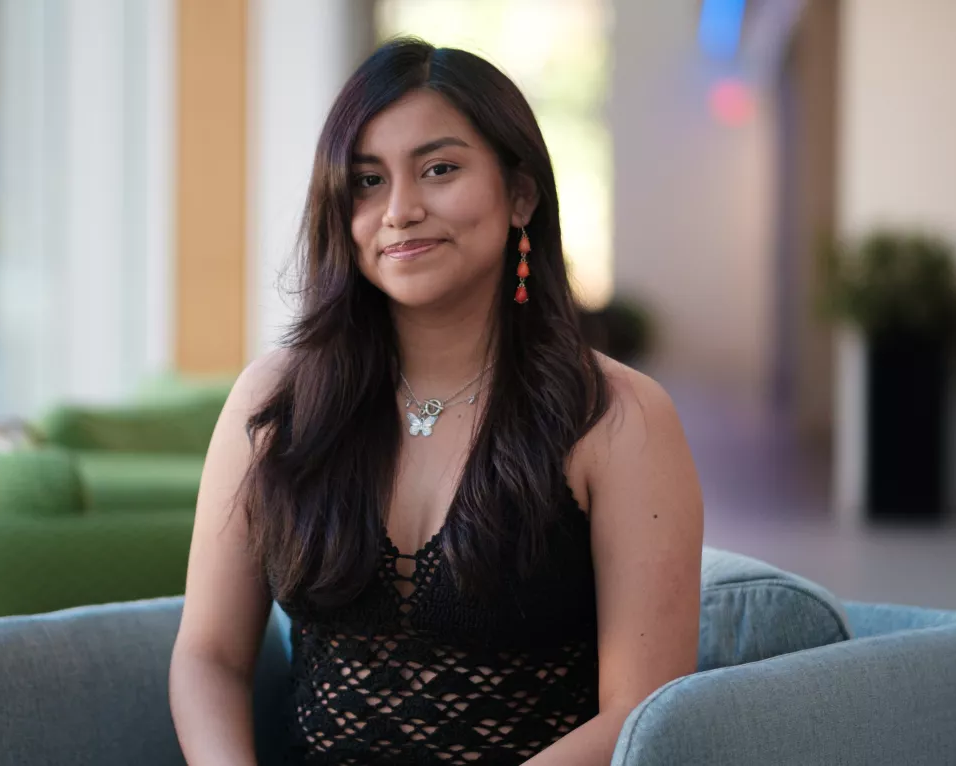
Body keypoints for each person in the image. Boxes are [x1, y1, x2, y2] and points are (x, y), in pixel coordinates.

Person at [170, 37, 704, 765]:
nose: (401, 210)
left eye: (440, 169)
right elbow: (209, 657)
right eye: (366, 181)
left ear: (520, 194)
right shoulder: (277, 400)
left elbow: (645, 712)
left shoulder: (617, 417)